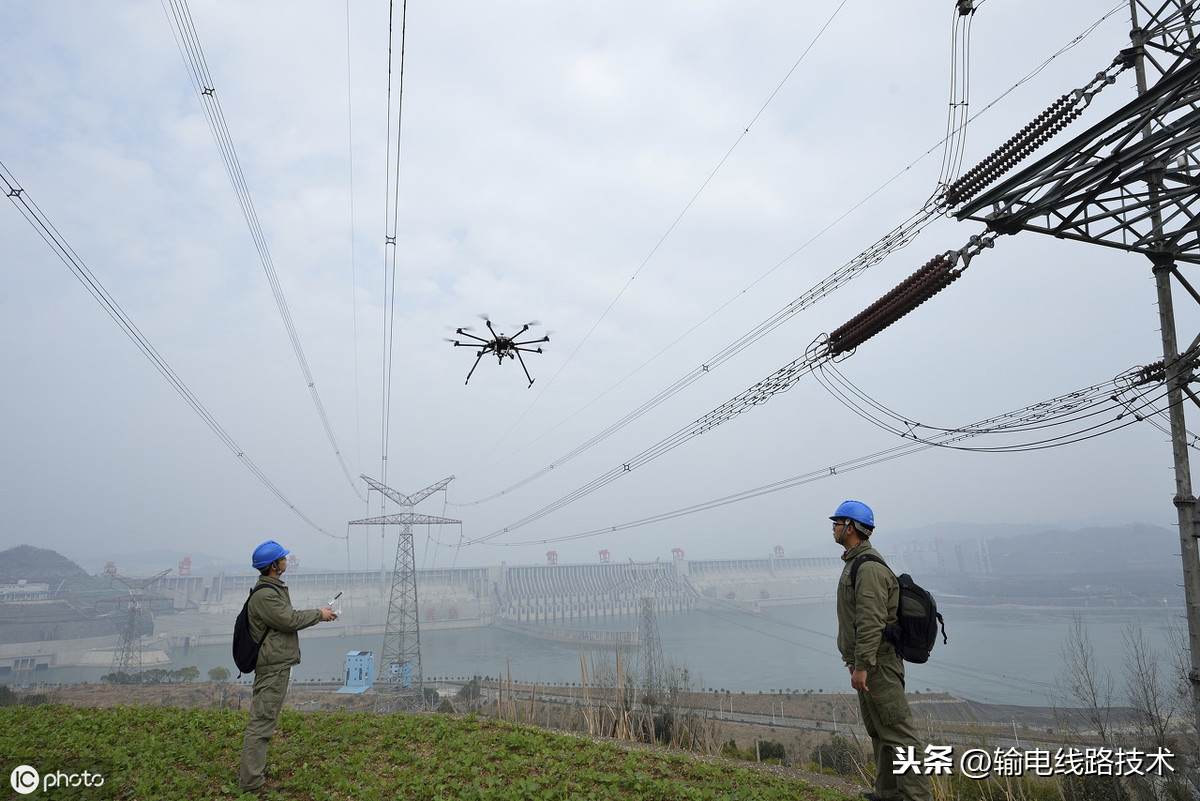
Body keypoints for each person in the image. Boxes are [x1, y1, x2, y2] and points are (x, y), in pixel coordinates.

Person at [831, 500, 932, 801]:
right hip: (867, 663)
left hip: (879, 666)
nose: (834, 528)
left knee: (901, 736)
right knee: (880, 732)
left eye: (837, 523)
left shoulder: (869, 567)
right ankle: (888, 794)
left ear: (851, 527)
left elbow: (871, 619)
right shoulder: (854, 562)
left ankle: (917, 798)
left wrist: (862, 664)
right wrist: (853, 661)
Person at [238, 539, 337, 796]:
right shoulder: (266, 595)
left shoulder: (272, 590)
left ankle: (254, 775)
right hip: (272, 668)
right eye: (283, 558)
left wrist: (319, 612)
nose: (286, 561)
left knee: (265, 719)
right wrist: (319, 614)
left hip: (276, 665)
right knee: (262, 722)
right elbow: (288, 620)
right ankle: (251, 784)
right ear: (274, 566)